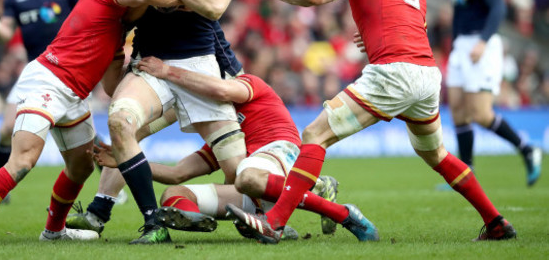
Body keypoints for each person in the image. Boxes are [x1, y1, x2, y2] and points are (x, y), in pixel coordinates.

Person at [226, 0, 517, 244]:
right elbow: (413, 27)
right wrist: (373, 35)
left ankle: (275, 222)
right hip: (427, 75)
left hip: (393, 73)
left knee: (315, 134)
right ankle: (495, 221)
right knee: (437, 155)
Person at [0, 0, 182, 246]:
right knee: (23, 160)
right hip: (49, 80)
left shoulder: (117, 30)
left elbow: (110, 86)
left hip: (74, 95)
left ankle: (53, 231)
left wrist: (137, 70)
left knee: (81, 166)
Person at [103, 0, 244, 245]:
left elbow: (214, 6)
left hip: (200, 66)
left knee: (241, 174)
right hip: (152, 62)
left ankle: (276, 210)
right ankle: (152, 223)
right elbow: (131, 11)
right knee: (120, 121)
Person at [133, 56, 378, 241]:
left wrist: (167, 72)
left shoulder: (247, 84)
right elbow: (178, 173)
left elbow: (222, 90)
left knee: (245, 177)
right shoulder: (221, 129)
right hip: (255, 184)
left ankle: (342, 213)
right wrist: (130, 163)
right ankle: (204, 219)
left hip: (282, 151)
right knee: (174, 193)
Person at [66, 25, 243, 233]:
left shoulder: (199, 11)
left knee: (235, 171)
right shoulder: (149, 13)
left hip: (202, 80)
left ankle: (260, 213)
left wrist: (238, 77)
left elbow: (177, 174)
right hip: (160, 77)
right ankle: (99, 211)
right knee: (126, 133)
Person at [440, 0, 542, 187]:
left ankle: (527, 149)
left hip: (481, 45)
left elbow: (497, 7)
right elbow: (461, 12)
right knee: (459, 111)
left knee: (481, 114)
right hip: (462, 46)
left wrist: (483, 41)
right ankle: (466, 175)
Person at [0, 0, 86, 180]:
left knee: (82, 140)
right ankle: (1, 186)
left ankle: (110, 188)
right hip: (33, 72)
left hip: (66, 74)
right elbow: (5, 34)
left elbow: (91, 21)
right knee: (6, 129)